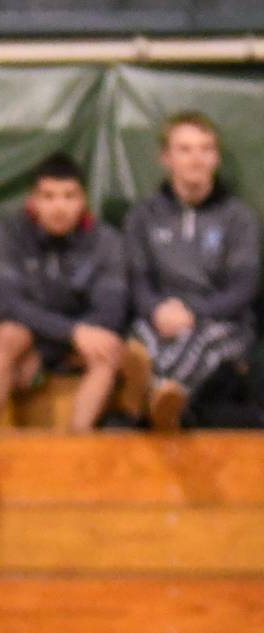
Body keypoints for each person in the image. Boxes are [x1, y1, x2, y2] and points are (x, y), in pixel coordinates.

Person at [125, 111, 261, 432]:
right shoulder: (143, 216)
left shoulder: (239, 217)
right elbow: (138, 281)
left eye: (205, 149)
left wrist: (192, 312)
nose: (196, 159)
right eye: (185, 149)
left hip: (223, 324)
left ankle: (156, 394)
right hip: (160, 319)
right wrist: (157, 310)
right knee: (143, 342)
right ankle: (163, 401)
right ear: (166, 158)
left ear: (216, 158)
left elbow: (244, 288)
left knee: (198, 343)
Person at [0, 153, 128, 432]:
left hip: (78, 342)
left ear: (84, 201)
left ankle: (75, 446)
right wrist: (64, 336)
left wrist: (51, 349)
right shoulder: (8, 232)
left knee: (107, 350)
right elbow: (7, 302)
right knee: (8, 335)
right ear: (32, 201)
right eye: (48, 197)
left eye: (70, 196)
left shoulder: (106, 240)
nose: (59, 207)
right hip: (31, 335)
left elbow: (111, 311)